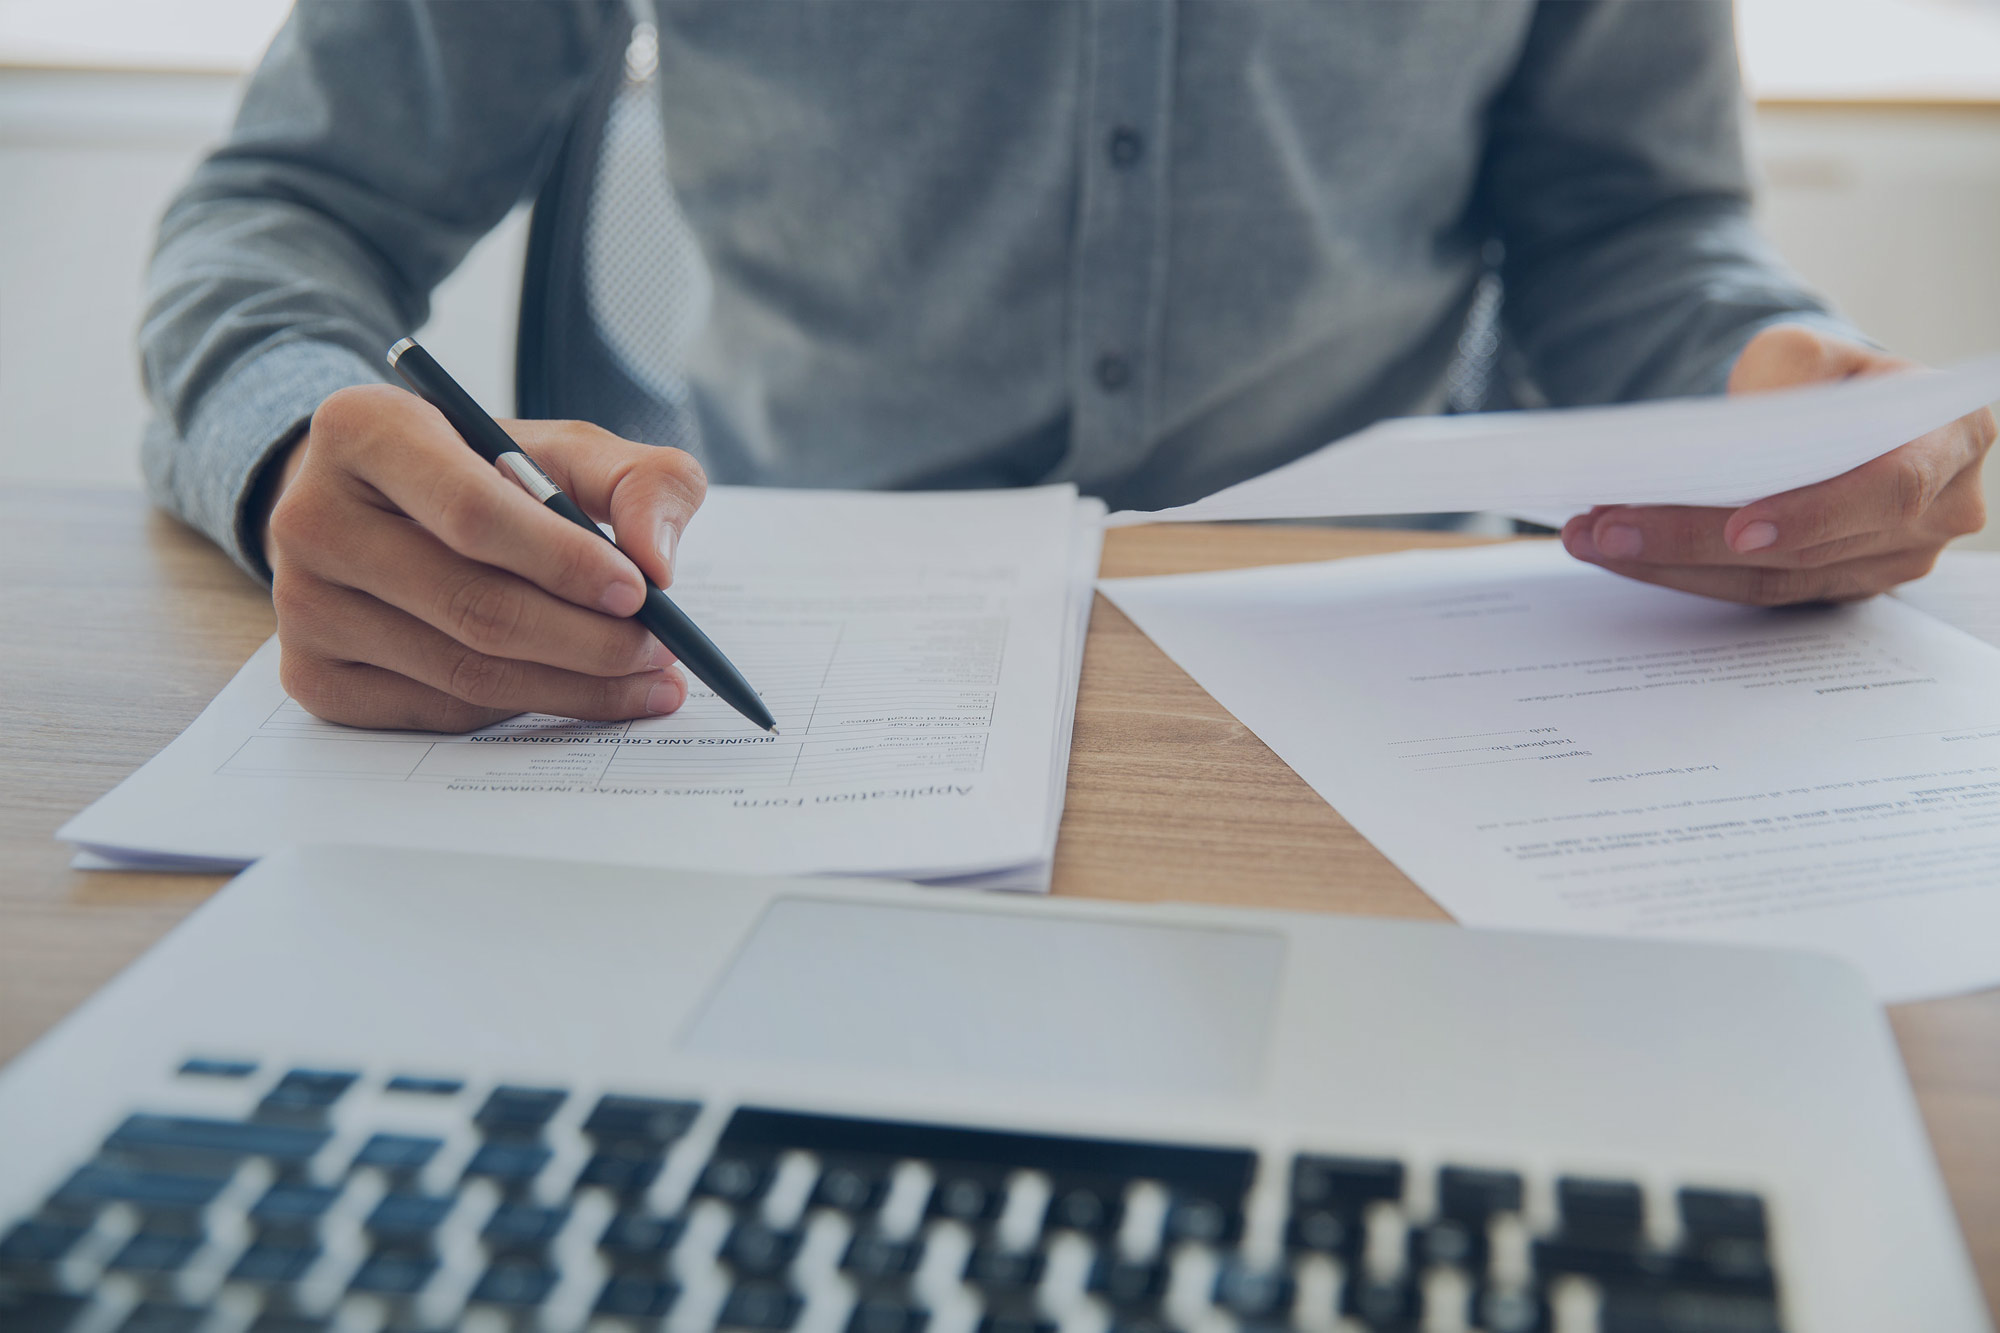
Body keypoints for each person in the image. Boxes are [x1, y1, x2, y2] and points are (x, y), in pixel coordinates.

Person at [140, 0, 1995, 733]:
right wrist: (297, 442)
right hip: (783, 680)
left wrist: (1768, 385)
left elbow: (1630, 222)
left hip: (1398, 684)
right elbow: (285, 209)